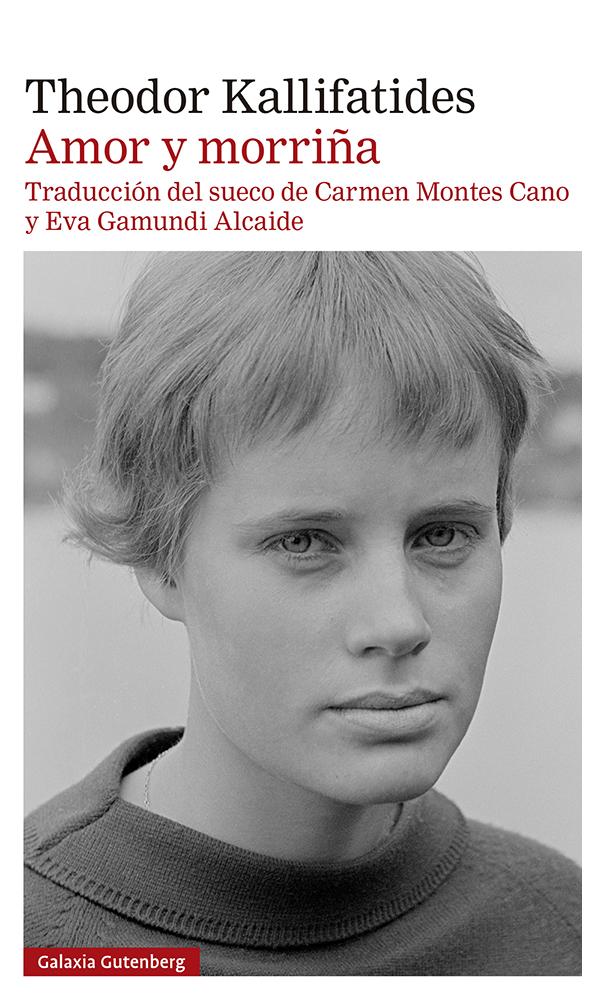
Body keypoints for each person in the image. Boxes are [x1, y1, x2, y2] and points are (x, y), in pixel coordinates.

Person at [24, 251, 581, 975]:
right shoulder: (37, 943)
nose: (398, 623)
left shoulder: (562, 927)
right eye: (305, 542)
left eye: (442, 535)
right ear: (160, 559)